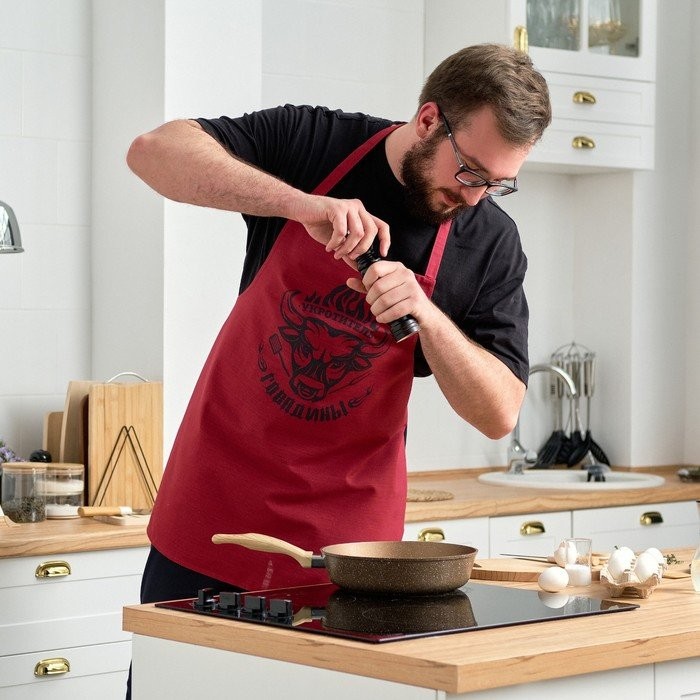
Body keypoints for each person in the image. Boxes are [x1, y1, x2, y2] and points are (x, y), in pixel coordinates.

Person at [126, 43, 550, 605]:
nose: (474, 197)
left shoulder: (491, 242)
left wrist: (427, 316)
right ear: (429, 120)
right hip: (215, 509)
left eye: (496, 183)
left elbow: (499, 415)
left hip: (351, 550)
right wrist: (300, 205)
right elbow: (152, 153)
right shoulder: (318, 143)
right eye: (470, 170)